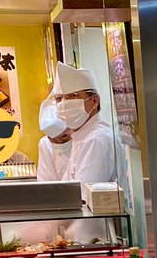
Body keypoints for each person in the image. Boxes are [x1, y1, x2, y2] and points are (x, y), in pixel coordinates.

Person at [52, 61, 132, 194]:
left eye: (73, 96)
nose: (64, 104)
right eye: (59, 98)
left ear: (94, 101)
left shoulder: (96, 140)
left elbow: (83, 196)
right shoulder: (81, 136)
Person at [36, 96, 72, 182]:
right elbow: (44, 178)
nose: (59, 142)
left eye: (64, 137)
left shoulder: (81, 140)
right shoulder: (44, 143)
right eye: (54, 139)